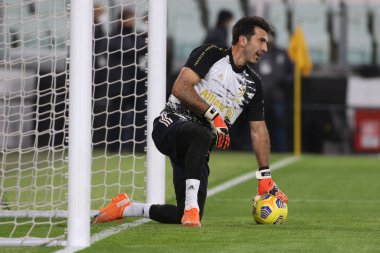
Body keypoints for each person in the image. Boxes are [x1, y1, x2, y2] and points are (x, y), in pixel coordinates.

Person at [92, 16, 288, 227]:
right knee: (201, 135)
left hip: (198, 149)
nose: (266, 47)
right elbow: (181, 88)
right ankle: (192, 209)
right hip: (171, 124)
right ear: (242, 39)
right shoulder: (211, 54)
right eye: (261, 40)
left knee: (180, 214)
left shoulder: (254, 84)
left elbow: (259, 130)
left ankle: (127, 207)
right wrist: (215, 116)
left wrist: (264, 176)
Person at [106, 8, 147, 152]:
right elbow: (129, 49)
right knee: (116, 116)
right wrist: (145, 45)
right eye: (130, 18)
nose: (132, 21)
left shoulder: (135, 36)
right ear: (122, 19)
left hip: (136, 83)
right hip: (119, 85)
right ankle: (113, 147)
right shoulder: (114, 37)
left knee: (140, 115)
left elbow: (140, 47)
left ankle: (139, 146)